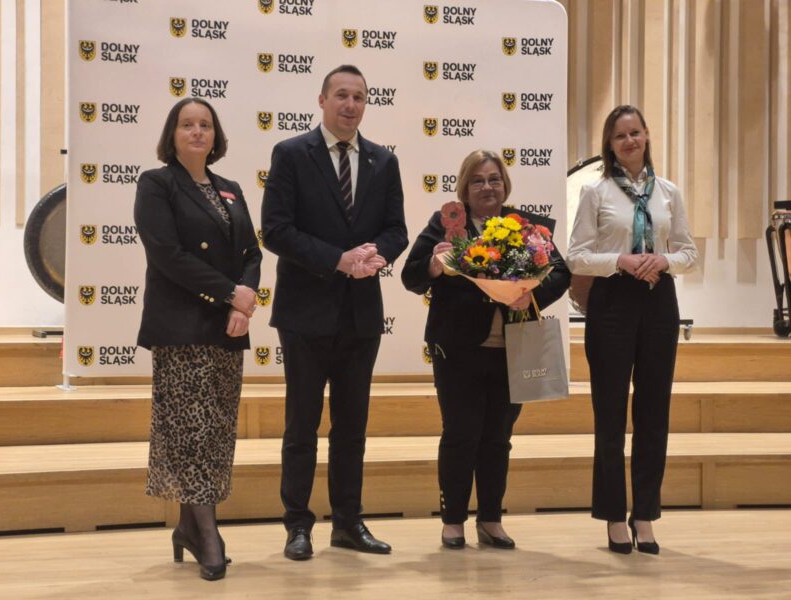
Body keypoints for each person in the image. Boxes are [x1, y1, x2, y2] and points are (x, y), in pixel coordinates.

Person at [261, 64, 408, 560]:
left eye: (359, 97)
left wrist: (375, 256)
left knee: (351, 429)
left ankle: (348, 523)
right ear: (321, 100)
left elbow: (397, 229)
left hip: (360, 315)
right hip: (304, 314)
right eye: (341, 95)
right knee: (301, 427)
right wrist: (337, 260)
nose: (350, 104)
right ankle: (297, 526)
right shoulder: (290, 154)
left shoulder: (384, 160)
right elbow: (275, 230)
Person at [401, 150, 570, 549]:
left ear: (504, 184)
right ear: (464, 187)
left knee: (498, 438)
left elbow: (561, 272)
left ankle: (491, 520)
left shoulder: (524, 226)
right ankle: (453, 521)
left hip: (512, 349)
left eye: (494, 179)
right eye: (477, 180)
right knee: (460, 435)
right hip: (458, 350)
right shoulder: (446, 223)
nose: (487, 187)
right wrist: (434, 265)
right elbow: (411, 276)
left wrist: (530, 294)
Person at [134, 97, 262, 580]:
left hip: (226, 327)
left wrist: (242, 303)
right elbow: (166, 254)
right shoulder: (157, 184)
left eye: (205, 125)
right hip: (182, 326)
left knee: (217, 431)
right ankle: (206, 532)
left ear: (215, 136)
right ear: (172, 134)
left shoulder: (230, 189)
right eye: (186, 124)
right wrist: (230, 293)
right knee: (191, 431)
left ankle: (189, 526)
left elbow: (251, 252)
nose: (197, 132)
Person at [566, 105, 697, 555]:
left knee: (654, 413)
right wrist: (620, 260)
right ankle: (612, 516)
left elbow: (688, 253)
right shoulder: (596, 191)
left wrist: (663, 260)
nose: (629, 141)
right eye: (620, 135)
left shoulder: (668, 192)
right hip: (612, 302)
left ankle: (644, 515)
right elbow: (577, 255)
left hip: (659, 300)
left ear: (646, 136)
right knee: (610, 414)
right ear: (610, 143)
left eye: (635, 132)